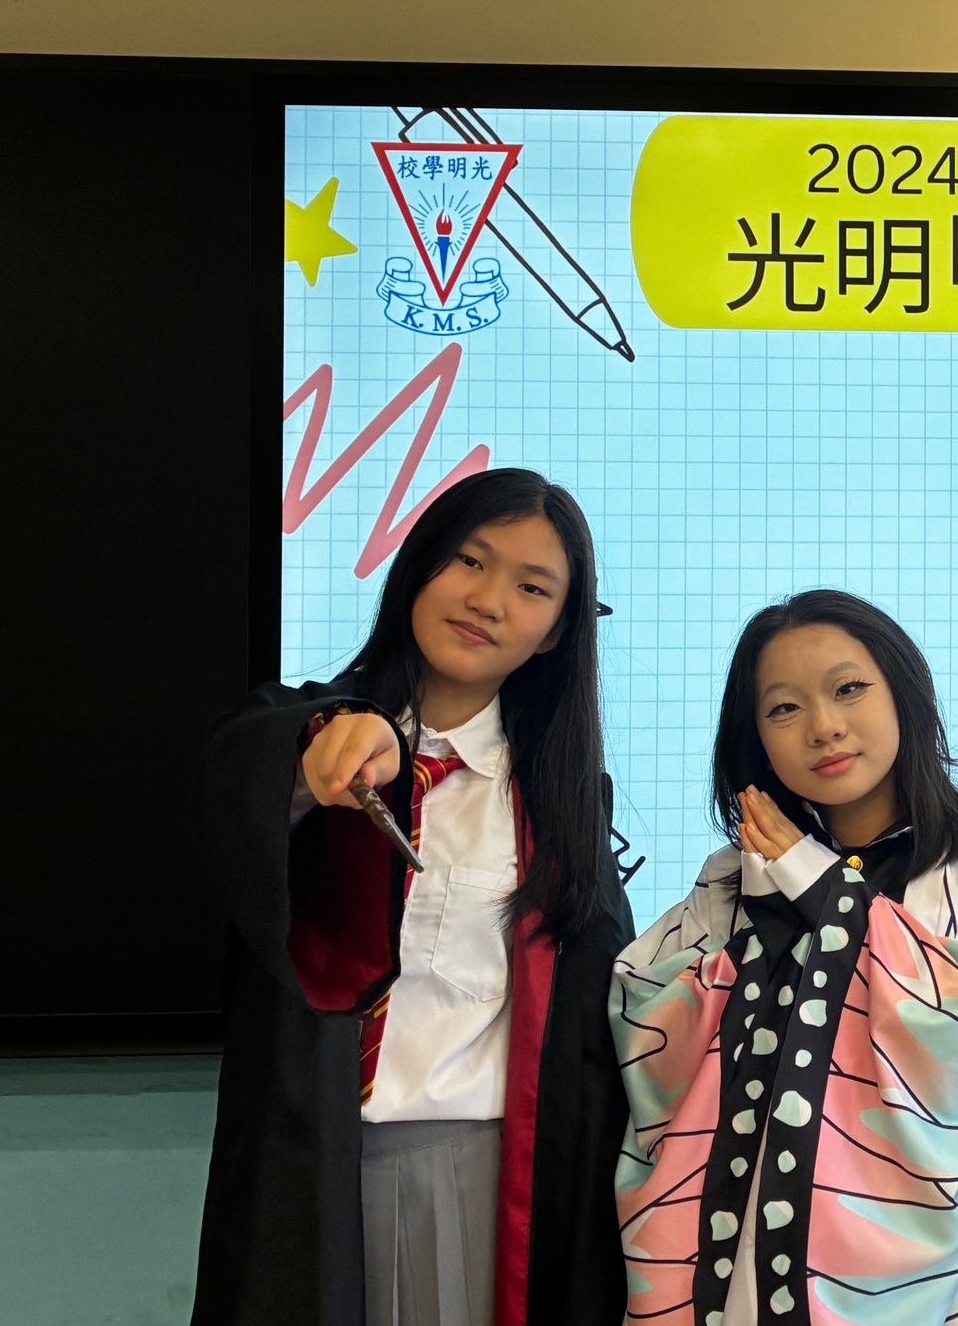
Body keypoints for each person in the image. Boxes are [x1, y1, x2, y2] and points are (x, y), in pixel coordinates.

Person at [191, 468, 633, 1326]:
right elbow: (242, 791)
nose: (488, 600)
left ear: (555, 632)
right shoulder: (310, 742)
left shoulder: (561, 807)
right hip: (307, 1161)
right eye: (469, 560)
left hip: (482, 1174)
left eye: (531, 587)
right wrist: (322, 749)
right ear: (417, 567)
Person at [612, 589, 958, 1325]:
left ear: (906, 694)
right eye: (784, 708)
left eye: (848, 689)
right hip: (731, 1252)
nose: (824, 727)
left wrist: (824, 892)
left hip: (912, 1274)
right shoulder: (733, 875)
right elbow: (642, 1019)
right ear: (754, 738)